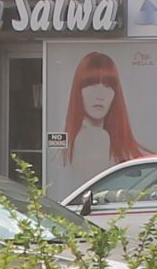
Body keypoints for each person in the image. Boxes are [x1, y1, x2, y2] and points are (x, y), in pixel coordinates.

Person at [62, 50, 147, 183]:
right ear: (79, 91)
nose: (99, 95)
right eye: (91, 84)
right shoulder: (95, 136)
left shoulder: (81, 136)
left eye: (108, 86)